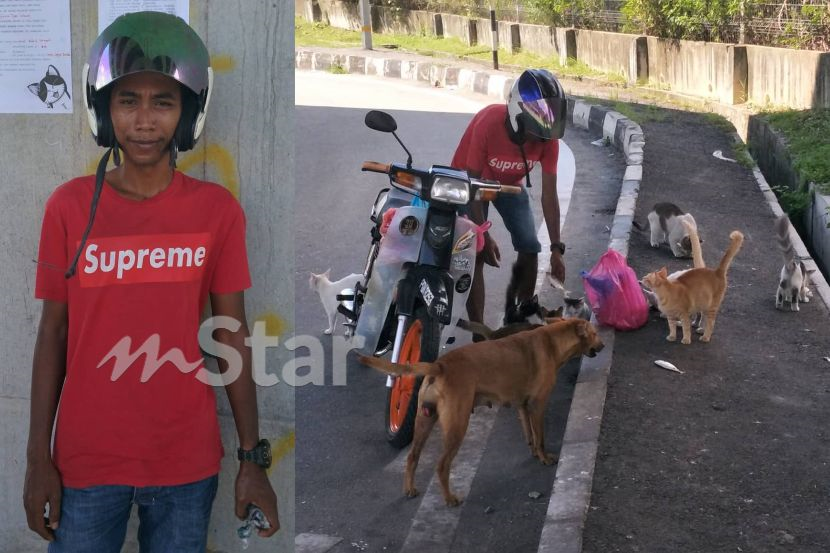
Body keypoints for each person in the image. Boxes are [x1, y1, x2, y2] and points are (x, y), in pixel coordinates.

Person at [23, 11, 279, 552]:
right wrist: (36, 459)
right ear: (103, 110)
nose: (144, 121)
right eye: (127, 101)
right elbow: (53, 334)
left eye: (163, 102)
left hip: (185, 465)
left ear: (187, 114)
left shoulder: (217, 211)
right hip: (86, 465)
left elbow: (230, 335)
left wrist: (253, 460)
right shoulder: (69, 208)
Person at [451, 68, 568, 325]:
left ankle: (520, 317)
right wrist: (483, 233)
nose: (544, 131)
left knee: (530, 245)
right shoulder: (489, 122)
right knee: (476, 252)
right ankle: (479, 330)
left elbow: (550, 196)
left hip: (509, 185)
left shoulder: (549, 141)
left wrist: (557, 249)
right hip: (471, 183)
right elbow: (472, 186)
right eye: (540, 119)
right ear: (518, 112)